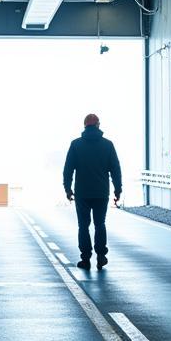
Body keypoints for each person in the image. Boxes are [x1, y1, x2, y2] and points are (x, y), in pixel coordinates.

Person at [63, 113, 122, 270]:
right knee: (100, 224)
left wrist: (68, 189)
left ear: (84, 126)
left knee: (83, 226)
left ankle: (86, 259)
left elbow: (68, 169)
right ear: (98, 126)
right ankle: (101, 255)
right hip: (101, 193)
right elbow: (115, 169)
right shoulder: (108, 145)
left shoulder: (76, 145)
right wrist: (118, 189)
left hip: (82, 193)